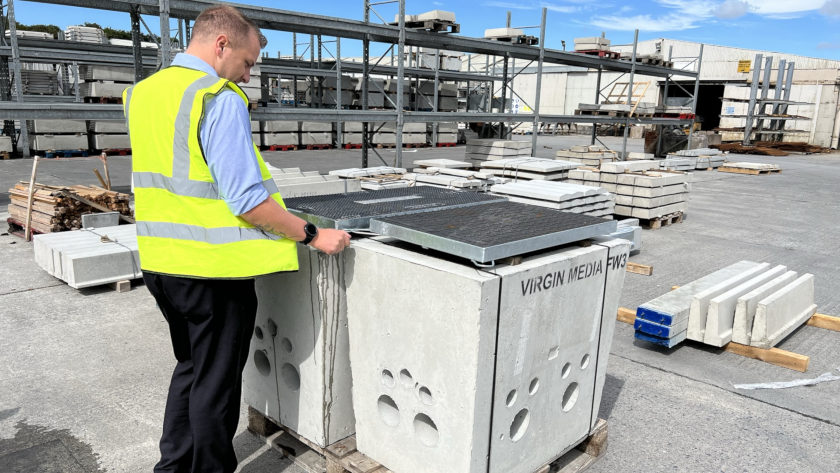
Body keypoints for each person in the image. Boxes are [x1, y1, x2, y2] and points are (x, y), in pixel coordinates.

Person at [123, 5, 351, 473]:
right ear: (221, 45)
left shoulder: (145, 93)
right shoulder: (215, 96)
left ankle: (172, 467)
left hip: (161, 263)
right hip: (213, 270)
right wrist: (312, 235)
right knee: (217, 387)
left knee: (191, 370)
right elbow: (247, 200)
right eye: (247, 63)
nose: (248, 75)